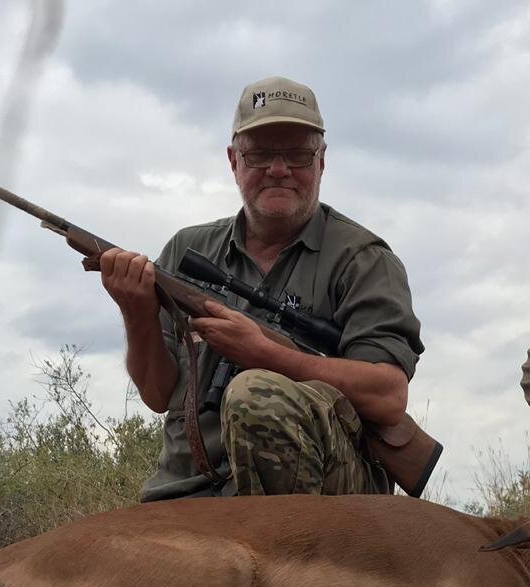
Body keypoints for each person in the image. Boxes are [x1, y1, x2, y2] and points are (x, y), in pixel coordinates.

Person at [98, 76, 425, 501]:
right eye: (261, 155)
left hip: (332, 498)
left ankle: (294, 558)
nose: (278, 169)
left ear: (321, 162)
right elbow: (159, 394)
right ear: (234, 161)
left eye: (297, 155)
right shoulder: (186, 250)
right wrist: (135, 311)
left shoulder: (362, 259)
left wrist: (265, 354)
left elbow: (388, 397)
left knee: (257, 395)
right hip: (186, 492)